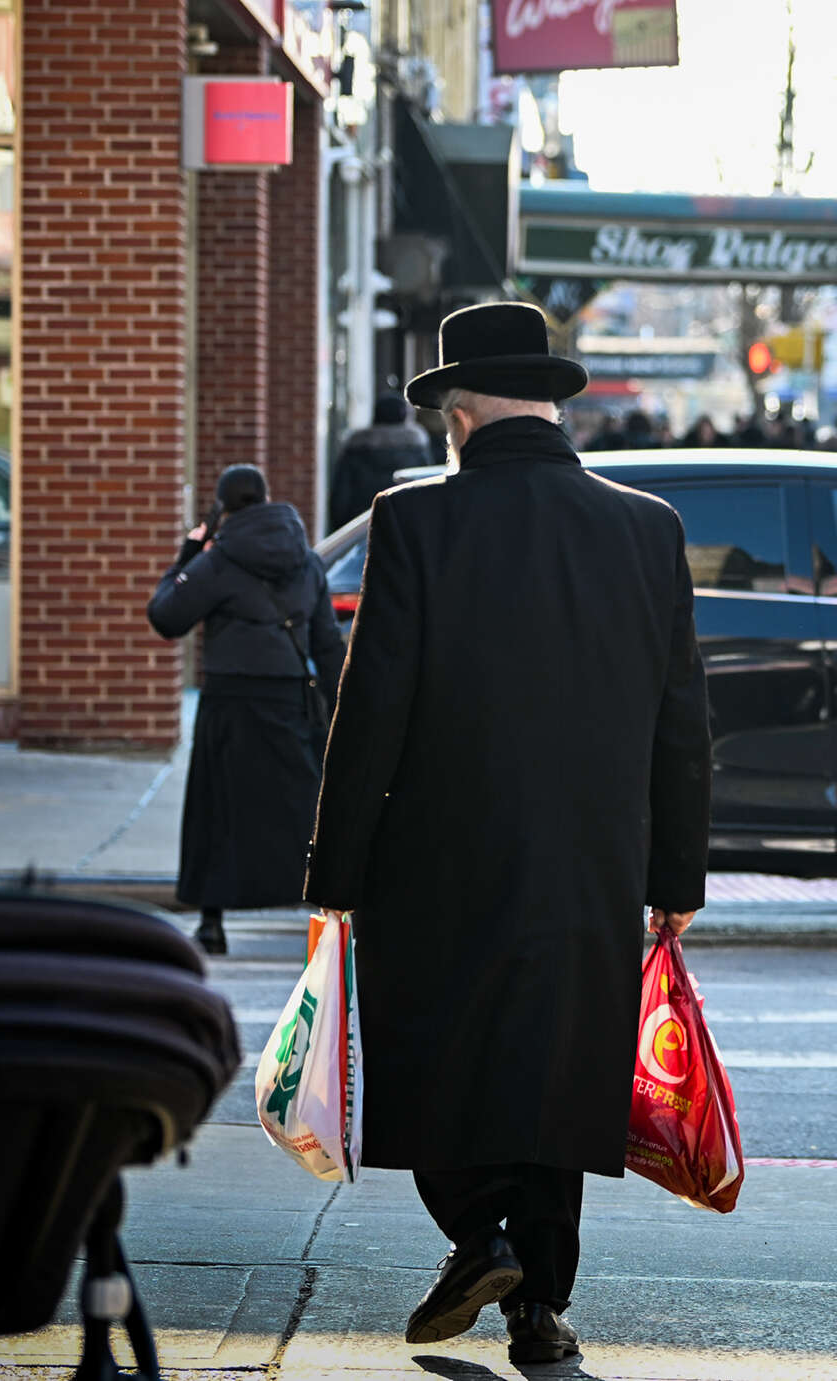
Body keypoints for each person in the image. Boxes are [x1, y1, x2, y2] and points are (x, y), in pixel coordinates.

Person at [306, 302, 712, 1368]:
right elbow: (682, 720)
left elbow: (373, 709)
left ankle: (476, 1230)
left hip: (435, 852)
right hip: (591, 859)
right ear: (550, 402)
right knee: (556, 1065)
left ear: (460, 412)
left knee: (440, 1050)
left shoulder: (417, 522)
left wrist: (335, 865)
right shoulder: (647, 526)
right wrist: (676, 873)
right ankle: (540, 1304)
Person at [147, 464, 345, 956]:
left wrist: (190, 551)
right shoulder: (307, 560)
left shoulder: (218, 561)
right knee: (302, 809)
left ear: (224, 507)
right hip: (290, 700)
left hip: (231, 701)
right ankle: (324, 903)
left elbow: (166, 616)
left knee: (219, 812)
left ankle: (212, 922)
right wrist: (341, 705)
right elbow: (326, 643)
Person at [328, 393, 434, 530]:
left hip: (359, 532)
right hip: (406, 530)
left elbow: (340, 499)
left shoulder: (356, 448)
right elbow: (428, 495)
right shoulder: (417, 449)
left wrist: (340, 532)